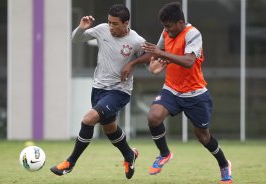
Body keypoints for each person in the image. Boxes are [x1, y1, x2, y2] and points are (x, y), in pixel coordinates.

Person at [120, 2, 232, 183]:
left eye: (169, 26)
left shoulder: (193, 34)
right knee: (153, 117)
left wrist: (161, 55)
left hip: (196, 94)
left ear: (180, 22)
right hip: (172, 89)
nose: (166, 30)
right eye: (164, 26)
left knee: (203, 136)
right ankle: (164, 153)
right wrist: (132, 64)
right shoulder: (167, 33)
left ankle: (224, 164)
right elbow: (155, 54)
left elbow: (188, 61)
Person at [50, 4, 146, 179]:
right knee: (110, 129)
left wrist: (132, 64)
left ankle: (69, 163)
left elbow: (149, 56)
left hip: (119, 92)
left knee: (88, 120)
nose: (111, 27)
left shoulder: (136, 41)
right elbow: (76, 39)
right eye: (109, 22)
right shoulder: (102, 30)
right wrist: (81, 28)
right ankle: (129, 155)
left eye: (115, 24)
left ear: (126, 23)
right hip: (98, 89)